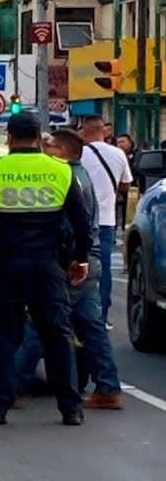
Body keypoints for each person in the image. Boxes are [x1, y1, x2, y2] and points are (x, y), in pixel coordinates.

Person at [0, 112, 91, 426]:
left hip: (7, 265)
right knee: (57, 336)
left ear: (8, 136)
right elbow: (81, 222)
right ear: (39, 137)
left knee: (4, 336)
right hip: (47, 267)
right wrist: (80, 258)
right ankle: (71, 409)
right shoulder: (60, 170)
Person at [10, 129, 122, 410]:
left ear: (61, 150)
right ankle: (108, 388)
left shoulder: (69, 178)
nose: (44, 150)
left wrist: (72, 260)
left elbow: (73, 226)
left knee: (42, 323)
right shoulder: (80, 175)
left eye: (48, 146)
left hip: (74, 264)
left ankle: (10, 386)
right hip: (89, 261)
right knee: (91, 328)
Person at [78, 116, 132, 329]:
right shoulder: (118, 153)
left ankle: (80, 313)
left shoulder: (79, 154)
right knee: (104, 268)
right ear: (103, 131)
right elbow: (126, 185)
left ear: (85, 130)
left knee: (78, 264)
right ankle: (101, 315)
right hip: (107, 221)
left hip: (81, 219)